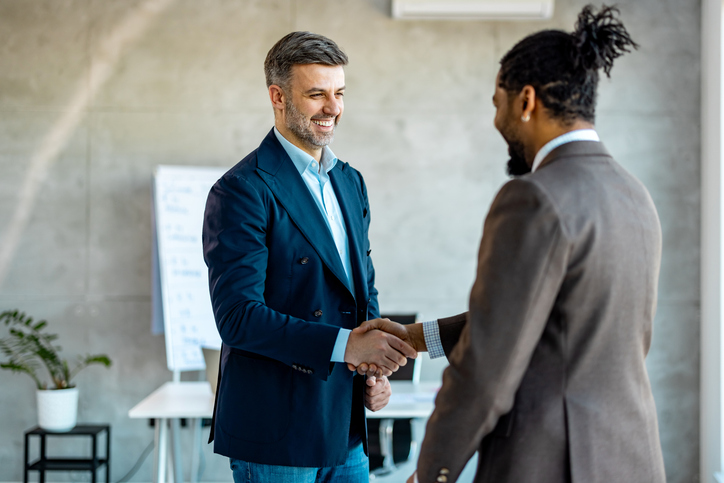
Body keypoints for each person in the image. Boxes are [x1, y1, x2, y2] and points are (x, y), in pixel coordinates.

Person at [352, 5, 666, 482]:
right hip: (630, 460)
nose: (497, 120)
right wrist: (414, 339)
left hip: (552, 465)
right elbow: (545, 322)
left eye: (497, 102)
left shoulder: (534, 198)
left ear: (526, 100)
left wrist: (432, 472)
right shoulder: (634, 195)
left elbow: (485, 373)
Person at [202, 31, 416, 482]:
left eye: (339, 93)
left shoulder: (350, 182)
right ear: (278, 97)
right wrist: (346, 346)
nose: (333, 107)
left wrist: (373, 367)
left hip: (345, 426)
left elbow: (362, 289)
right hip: (277, 430)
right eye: (317, 94)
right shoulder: (242, 190)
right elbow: (238, 316)